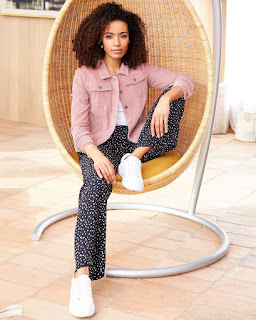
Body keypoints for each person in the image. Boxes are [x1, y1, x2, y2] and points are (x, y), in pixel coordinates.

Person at [69, 1, 196, 317]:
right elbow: (78, 128)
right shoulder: (84, 75)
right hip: (99, 145)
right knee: (93, 192)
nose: (116, 43)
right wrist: (96, 155)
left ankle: (133, 159)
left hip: (139, 142)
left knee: (174, 100)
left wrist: (166, 98)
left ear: (131, 38)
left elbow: (186, 80)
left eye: (122, 36)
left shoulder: (141, 71)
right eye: (110, 36)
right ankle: (81, 276)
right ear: (99, 38)